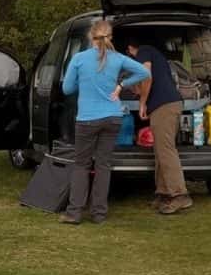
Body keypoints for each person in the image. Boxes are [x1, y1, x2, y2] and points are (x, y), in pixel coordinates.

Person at [58, 20, 150, 224]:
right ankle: (99, 214)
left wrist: (84, 83)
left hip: (87, 119)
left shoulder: (79, 58)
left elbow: (67, 89)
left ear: (90, 37)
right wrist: (121, 85)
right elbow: (145, 72)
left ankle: (74, 213)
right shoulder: (118, 58)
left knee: (81, 165)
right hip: (112, 117)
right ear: (110, 37)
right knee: (103, 165)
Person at [123, 39, 193, 215]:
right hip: (164, 105)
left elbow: (147, 76)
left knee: (166, 149)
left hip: (165, 106)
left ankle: (180, 194)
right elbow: (143, 84)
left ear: (130, 48)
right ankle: (164, 193)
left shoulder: (144, 50)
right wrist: (134, 87)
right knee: (160, 149)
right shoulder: (153, 54)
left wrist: (142, 103)